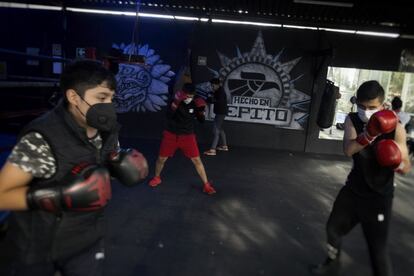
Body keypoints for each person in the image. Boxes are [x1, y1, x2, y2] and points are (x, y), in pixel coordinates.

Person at [0, 60, 148, 276]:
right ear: (73, 97)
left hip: (86, 239)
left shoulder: (107, 131)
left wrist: (118, 167)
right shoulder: (43, 137)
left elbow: (98, 175)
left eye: (111, 99)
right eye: (101, 98)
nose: (108, 105)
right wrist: (57, 196)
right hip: (37, 247)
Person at [310, 80, 411, 276]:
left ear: (382, 105)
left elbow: (406, 166)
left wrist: (395, 162)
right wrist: (369, 134)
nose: (366, 111)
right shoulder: (352, 119)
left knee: (378, 251)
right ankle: (332, 263)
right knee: (332, 230)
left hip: (379, 198)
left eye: (372, 107)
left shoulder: (396, 128)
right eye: (362, 106)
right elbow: (349, 150)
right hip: (353, 191)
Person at [148, 83, 216, 195]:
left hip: (188, 136)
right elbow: (168, 116)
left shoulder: (195, 103)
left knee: (197, 160)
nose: (188, 98)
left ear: (193, 95)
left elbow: (201, 120)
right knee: (161, 159)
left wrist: (201, 111)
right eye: (187, 95)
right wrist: (175, 103)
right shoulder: (175, 100)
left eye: (191, 96)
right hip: (171, 135)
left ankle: (206, 185)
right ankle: (157, 177)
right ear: (183, 93)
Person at [204, 78, 229, 156]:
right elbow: (215, 98)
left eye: (213, 85)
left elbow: (219, 101)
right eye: (211, 85)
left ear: (217, 84)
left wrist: (211, 100)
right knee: (220, 128)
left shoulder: (220, 92)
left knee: (216, 130)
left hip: (220, 113)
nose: (212, 86)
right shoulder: (218, 91)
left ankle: (212, 150)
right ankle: (224, 146)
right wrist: (211, 95)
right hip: (220, 112)